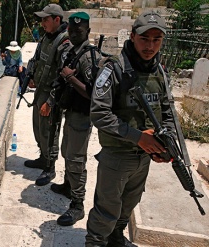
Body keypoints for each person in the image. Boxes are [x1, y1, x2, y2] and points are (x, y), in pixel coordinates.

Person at [85, 12, 170, 247]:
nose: (150, 46)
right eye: (145, 39)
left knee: (129, 202)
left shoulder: (159, 71)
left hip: (144, 156)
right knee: (107, 208)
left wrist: (166, 145)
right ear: (133, 37)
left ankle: (115, 238)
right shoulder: (114, 69)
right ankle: (95, 242)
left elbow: (167, 110)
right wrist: (138, 137)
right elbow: (99, 114)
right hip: (118, 154)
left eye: (156, 39)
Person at [48, 12, 98, 226]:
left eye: (80, 30)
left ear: (87, 31)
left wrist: (70, 77)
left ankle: (78, 204)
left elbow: (92, 91)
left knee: (76, 159)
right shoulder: (73, 52)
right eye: (72, 30)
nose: (75, 33)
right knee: (66, 152)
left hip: (82, 115)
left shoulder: (88, 57)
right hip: (71, 112)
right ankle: (68, 186)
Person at [23, 4, 69, 186]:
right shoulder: (46, 37)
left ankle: (50, 167)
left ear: (57, 20)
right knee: (38, 128)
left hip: (52, 95)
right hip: (40, 91)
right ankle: (42, 157)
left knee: (50, 131)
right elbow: (38, 59)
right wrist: (32, 76)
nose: (42, 23)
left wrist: (50, 101)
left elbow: (63, 76)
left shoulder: (64, 42)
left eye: (45, 19)